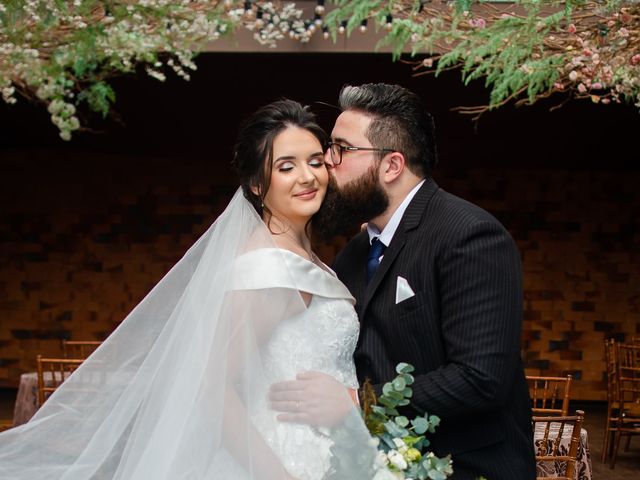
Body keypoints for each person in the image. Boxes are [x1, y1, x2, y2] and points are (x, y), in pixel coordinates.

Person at [0, 100, 376, 480]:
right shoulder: (269, 268)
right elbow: (213, 390)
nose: (307, 176)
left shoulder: (304, 259)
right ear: (257, 184)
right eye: (286, 166)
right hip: (284, 460)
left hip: (333, 451)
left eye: (315, 161)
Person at [270, 84, 536, 480]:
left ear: (392, 165)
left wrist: (357, 403)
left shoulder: (471, 235)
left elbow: (480, 379)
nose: (327, 161)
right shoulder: (356, 252)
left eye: (342, 149)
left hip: (465, 467)